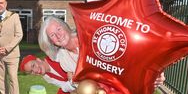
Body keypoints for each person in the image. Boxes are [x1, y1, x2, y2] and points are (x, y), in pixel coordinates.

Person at [38, 16, 166, 86]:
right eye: (53, 35)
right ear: (51, 42)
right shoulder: (62, 58)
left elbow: (127, 52)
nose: (58, 35)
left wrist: (152, 71)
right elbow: (75, 83)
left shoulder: (90, 36)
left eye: (58, 29)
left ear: (65, 26)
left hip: (118, 88)